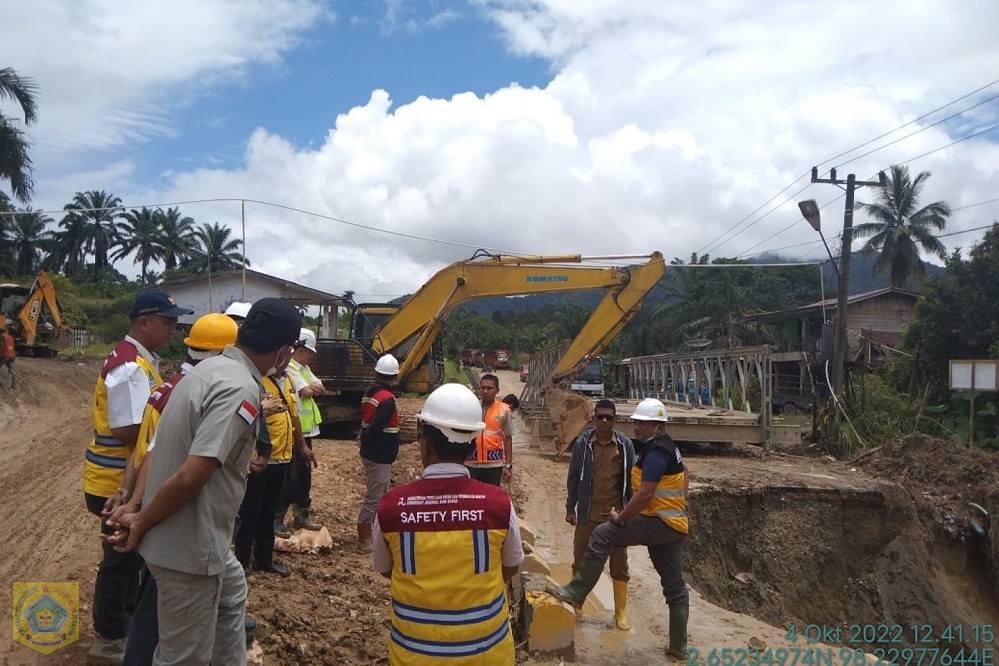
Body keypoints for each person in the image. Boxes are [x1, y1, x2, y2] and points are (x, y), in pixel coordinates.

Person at [105, 297, 303, 666]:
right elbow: (190, 477)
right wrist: (139, 521)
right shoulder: (239, 389)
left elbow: (157, 447)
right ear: (284, 352)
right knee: (183, 657)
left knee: (231, 594)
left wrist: (137, 508)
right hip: (191, 548)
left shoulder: (205, 371)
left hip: (186, 537)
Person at [110, 313, 239, 666]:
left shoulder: (174, 385)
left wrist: (133, 500)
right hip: (174, 517)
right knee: (158, 609)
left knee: (152, 597)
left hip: (156, 508)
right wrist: (138, 509)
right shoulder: (201, 391)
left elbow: (145, 451)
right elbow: (163, 461)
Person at [372, 383, 525, 664]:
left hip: (414, 657)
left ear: (425, 445)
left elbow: (385, 569)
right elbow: (511, 566)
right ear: (471, 446)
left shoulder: (391, 508)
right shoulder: (499, 505)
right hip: (487, 655)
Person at [83, 288, 192, 665]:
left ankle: (124, 623)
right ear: (144, 322)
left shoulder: (140, 361)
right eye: (168, 322)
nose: (173, 330)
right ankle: (110, 635)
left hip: (121, 477)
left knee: (129, 558)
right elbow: (131, 430)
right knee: (120, 558)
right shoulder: (129, 367)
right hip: (115, 479)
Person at [549, 397, 690, 659]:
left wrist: (622, 517)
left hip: (658, 522)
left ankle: (576, 593)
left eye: (642, 423)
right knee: (675, 586)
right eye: (635, 422)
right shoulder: (667, 447)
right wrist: (680, 501)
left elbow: (645, 493)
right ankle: (679, 646)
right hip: (673, 524)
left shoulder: (655, 452)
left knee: (605, 534)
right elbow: (685, 472)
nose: (636, 426)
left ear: (657, 426)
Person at [234, 352, 317, 578]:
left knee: (269, 511)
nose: (284, 361)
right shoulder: (257, 380)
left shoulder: (289, 380)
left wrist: (303, 448)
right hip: (259, 460)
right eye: (282, 356)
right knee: (251, 511)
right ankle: (241, 562)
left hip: (283, 457)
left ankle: (264, 560)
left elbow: (294, 416)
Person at [564, 399, 637, 630]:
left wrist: (629, 513)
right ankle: (576, 605)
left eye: (609, 417)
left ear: (615, 420)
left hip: (615, 517)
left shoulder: (625, 446)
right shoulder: (583, 444)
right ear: (593, 418)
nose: (604, 421)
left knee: (619, 565)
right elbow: (574, 477)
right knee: (580, 559)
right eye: (600, 416)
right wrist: (570, 508)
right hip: (588, 513)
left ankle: (620, 614)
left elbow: (631, 482)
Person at [275, 328, 327, 536]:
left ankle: (301, 515)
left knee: (304, 476)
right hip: (294, 432)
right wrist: (310, 389)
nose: (312, 356)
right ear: (298, 349)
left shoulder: (303, 369)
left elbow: (320, 387)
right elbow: (306, 391)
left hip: (307, 432)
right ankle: (278, 517)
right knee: (291, 476)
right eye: (309, 352)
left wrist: (311, 388)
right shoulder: (290, 369)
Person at [356, 353, 401, 553]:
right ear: (395, 377)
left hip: (374, 452)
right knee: (375, 496)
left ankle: (379, 533)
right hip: (379, 453)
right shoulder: (387, 400)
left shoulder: (370, 393)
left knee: (383, 495)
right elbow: (377, 427)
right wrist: (366, 439)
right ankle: (364, 537)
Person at [465, 373, 513, 486]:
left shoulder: (504, 410)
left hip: (493, 465)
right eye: (483, 387)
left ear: (497, 390)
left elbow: (508, 438)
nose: (485, 391)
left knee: (491, 500)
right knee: (471, 500)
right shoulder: (470, 407)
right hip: (470, 463)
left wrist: (508, 466)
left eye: (490, 388)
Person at [2, 324, 16, 389]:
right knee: (12, 371)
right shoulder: (12, 338)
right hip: (12, 356)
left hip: (4, 355)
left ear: (7, 330)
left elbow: (1, 346)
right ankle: (14, 385)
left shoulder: (3, 336)